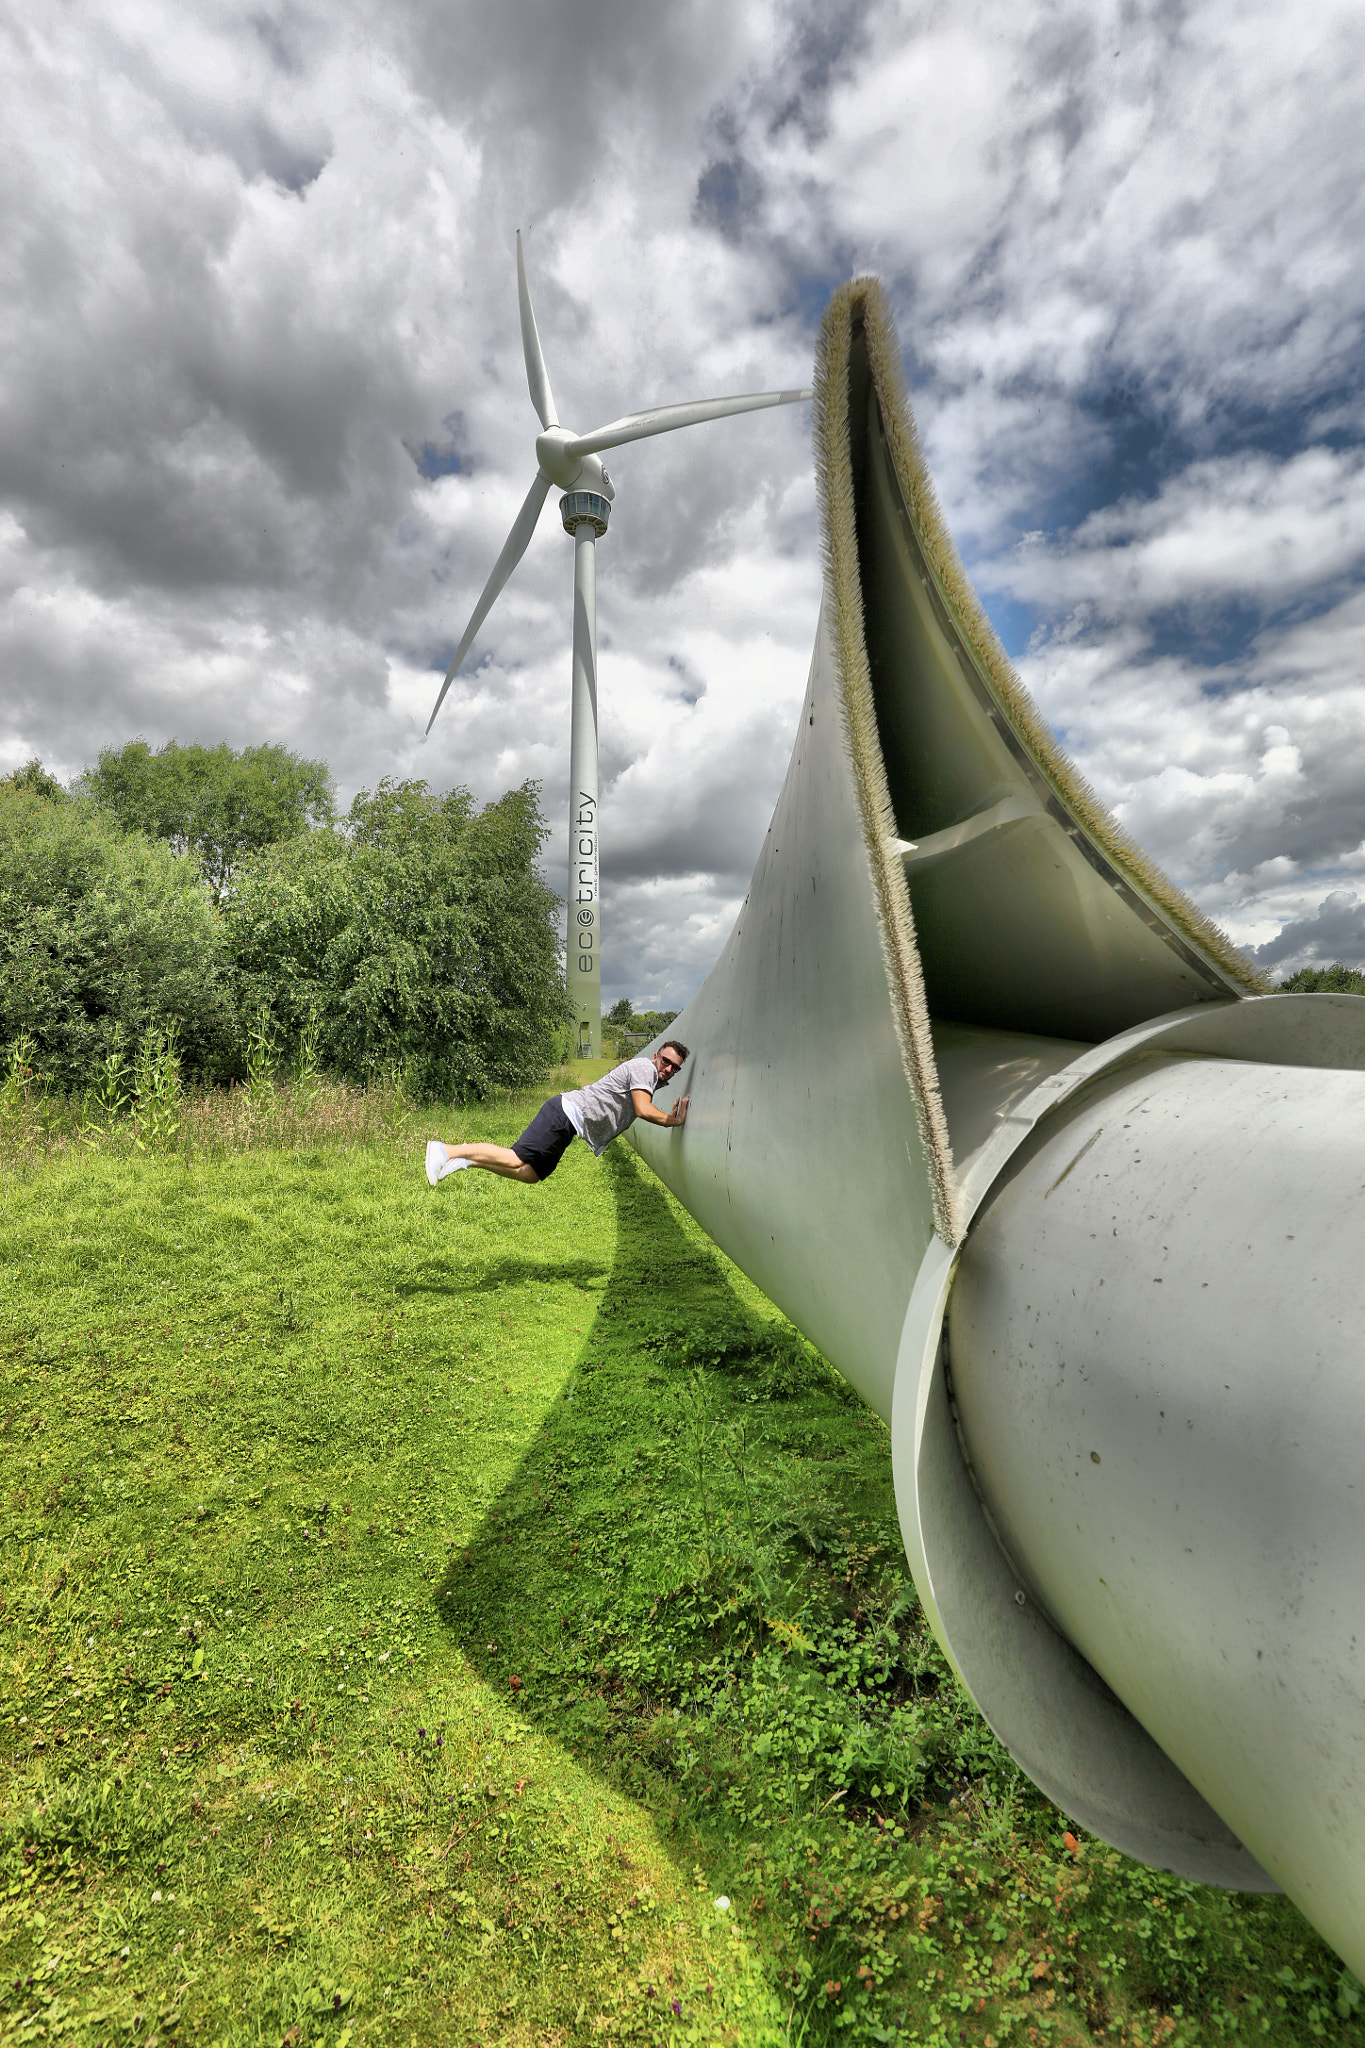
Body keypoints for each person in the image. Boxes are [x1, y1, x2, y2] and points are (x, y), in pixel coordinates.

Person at [424, 1041, 691, 1187]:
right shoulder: (645, 1068)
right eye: (665, 1061)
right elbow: (643, 1109)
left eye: (674, 1067)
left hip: (570, 1123)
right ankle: (445, 1150)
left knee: (531, 1174)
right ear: (656, 1056)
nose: (668, 1068)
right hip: (564, 1113)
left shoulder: (652, 1077)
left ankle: (468, 1159)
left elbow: (641, 1104)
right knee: (516, 1157)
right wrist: (674, 1121)